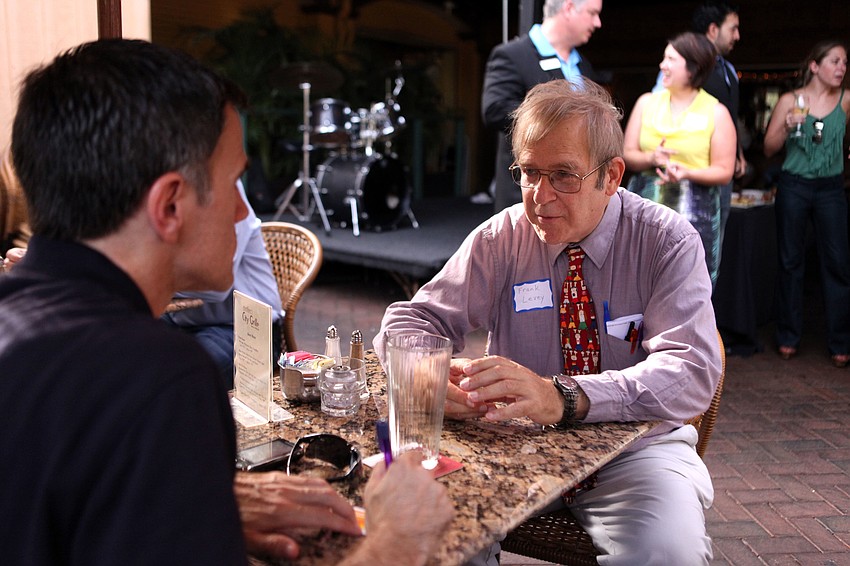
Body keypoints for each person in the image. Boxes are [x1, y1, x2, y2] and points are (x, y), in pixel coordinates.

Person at [0, 38, 452, 565]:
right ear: (170, 204)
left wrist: (199, 496)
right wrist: (399, 539)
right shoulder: (157, 379)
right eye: (235, 182)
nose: (243, 212)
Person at [376, 79, 721, 564]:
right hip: (514, 441)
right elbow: (412, 319)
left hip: (636, 453)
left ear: (611, 176)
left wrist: (565, 396)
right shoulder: (503, 236)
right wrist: (427, 378)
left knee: (669, 553)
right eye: (529, 172)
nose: (540, 196)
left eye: (563, 175)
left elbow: (691, 371)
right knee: (430, 534)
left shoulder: (665, 241)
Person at [763, 40, 850, 368]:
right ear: (815, 66)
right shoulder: (790, 100)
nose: (842, 67)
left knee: (837, 263)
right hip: (794, 186)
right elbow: (769, 148)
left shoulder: (846, 100)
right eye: (835, 61)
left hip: (831, 189)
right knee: (790, 262)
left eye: (845, 62)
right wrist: (787, 126)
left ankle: (840, 342)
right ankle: (788, 336)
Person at [624, 31, 736, 286]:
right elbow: (627, 154)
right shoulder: (646, 103)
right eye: (664, 58)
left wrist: (686, 173)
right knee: (636, 278)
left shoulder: (716, 112)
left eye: (671, 59)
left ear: (693, 68)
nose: (662, 65)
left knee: (689, 282)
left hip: (695, 208)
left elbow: (724, 170)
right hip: (645, 204)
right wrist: (652, 157)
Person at [481, 0, 604, 213]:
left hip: (575, 197)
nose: (598, 23)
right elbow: (494, 110)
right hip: (529, 195)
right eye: (592, 13)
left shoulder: (583, 65)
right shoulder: (513, 55)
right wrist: (560, 123)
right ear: (568, 8)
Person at [163, 180, 283, 390]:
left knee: (186, 374)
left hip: (245, 328)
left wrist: (151, 280)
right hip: (182, 320)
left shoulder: (224, 186)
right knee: (120, 350)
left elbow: (214, 285)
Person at [652, 1, 746, 252]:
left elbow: (729, 115)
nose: (737, 36)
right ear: (713, 30)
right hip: (681, 173)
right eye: (733, 28)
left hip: (719, 172)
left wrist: (737, 153)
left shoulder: (729, 70)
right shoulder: (681, 69)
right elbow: (659, 108)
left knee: (712, 245)